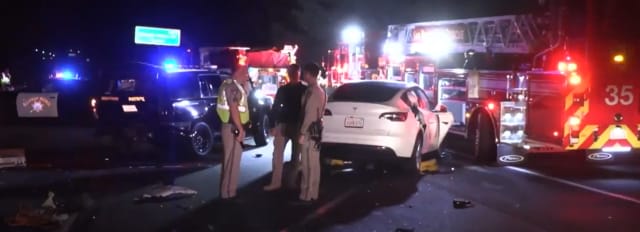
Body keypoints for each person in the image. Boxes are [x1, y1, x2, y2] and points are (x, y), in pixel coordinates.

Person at [264, 64, 307, 191]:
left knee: (280, 155)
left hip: (286, 124)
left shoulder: (285, 89)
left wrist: (272, 125)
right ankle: (290, 183)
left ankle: (278, 182)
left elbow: (275, 108)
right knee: (294, 156)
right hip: (293, 125)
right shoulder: (303, 89)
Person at [216, 65, 251, 200]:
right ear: (238, 72)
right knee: (232, 161)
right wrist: (240, 128)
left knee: (231, 160)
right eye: (245, 73)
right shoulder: (233, 87)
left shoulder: (229, 84)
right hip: (233, 128)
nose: (247, 76)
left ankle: (229, 192)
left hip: (231, 127)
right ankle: (228, 194)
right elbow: (234, 107)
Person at [294, 63, 326, 204]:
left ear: (309, 74)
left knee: (309, 163)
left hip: (311, 131)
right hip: (314, 130)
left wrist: (302, 132)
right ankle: (309, 193)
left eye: (305, 73)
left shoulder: (314, 92)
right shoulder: (313, 90)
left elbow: (310, 115)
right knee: (309, 162)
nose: (303, 75)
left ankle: (309, 194)